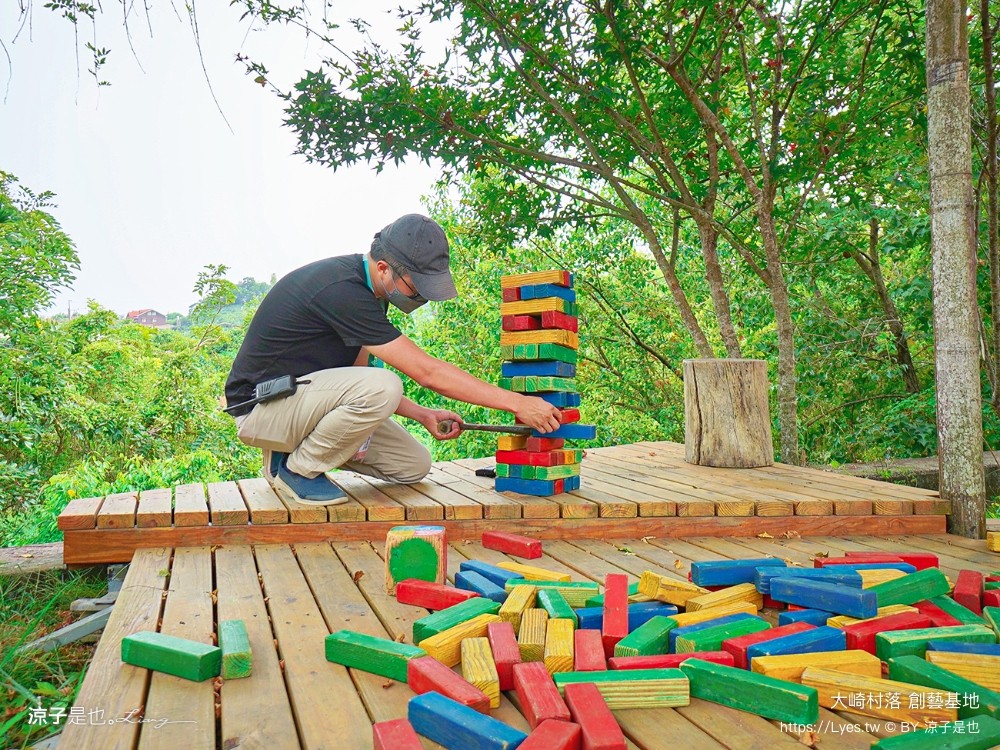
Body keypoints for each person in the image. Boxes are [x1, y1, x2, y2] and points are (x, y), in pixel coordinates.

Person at [224, 213, 562, 506]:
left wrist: (424, 415)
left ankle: (300, 448)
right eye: (417, 287)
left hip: (303, 403)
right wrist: (518, 403)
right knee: (386, 383)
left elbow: (355, 377)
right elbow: (427, 373)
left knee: (414, 464)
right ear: (384, 268)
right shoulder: (343, 291)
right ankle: (296, 469)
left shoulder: (373, 295)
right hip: (260, 410)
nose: (421, 297)